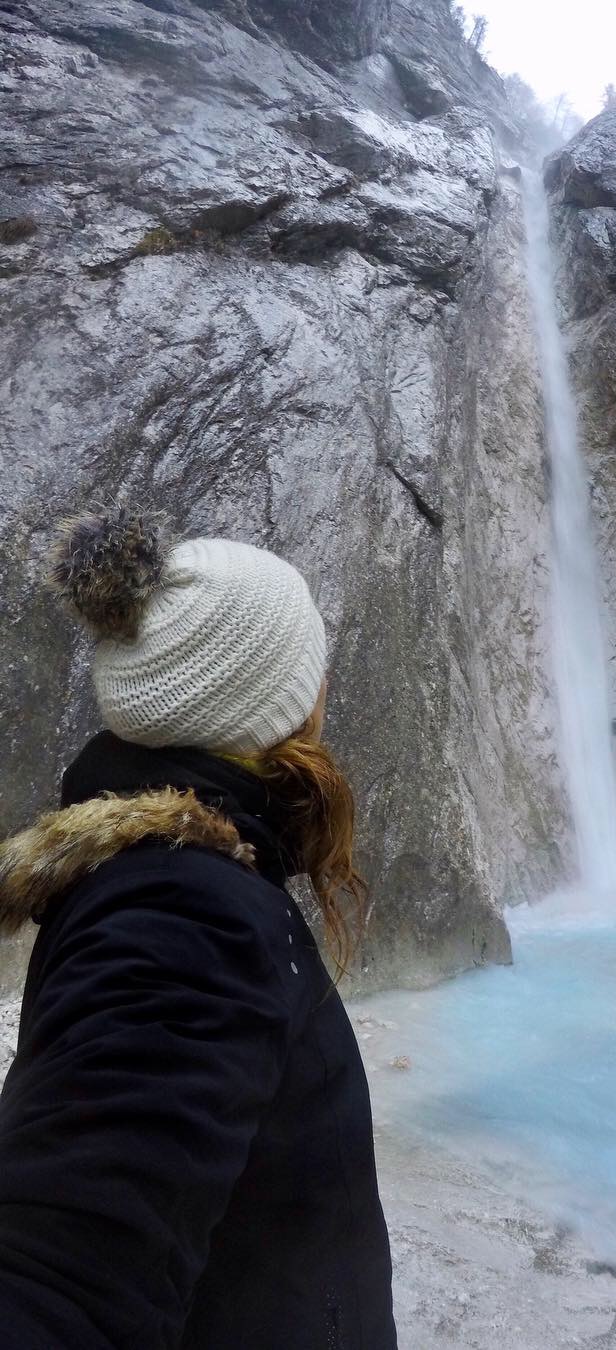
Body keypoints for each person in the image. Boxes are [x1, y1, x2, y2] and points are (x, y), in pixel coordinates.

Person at [0, 507, 397, 1349]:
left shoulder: (175, 872)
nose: (324, 686)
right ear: (269, 710)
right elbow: (61, 1282)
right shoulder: (185, 915)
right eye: (310, 665)